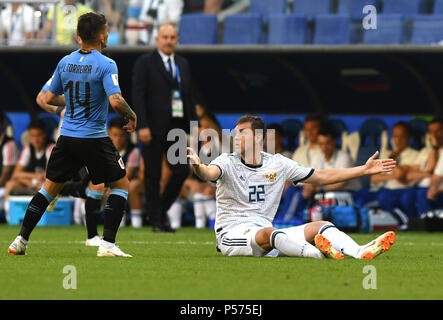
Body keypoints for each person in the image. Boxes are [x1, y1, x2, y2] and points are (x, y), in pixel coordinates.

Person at [8, 12, 137, 258]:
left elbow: (46, 98)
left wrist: (73, 103)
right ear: (101, 35)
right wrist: (132, 116)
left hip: (66, 137)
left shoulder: (65, 62)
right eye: (107, 30)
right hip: (94, 137)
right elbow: (116, 101)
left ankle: (20, 240)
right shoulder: (107, 64)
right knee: (120, 183)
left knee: (48, 189)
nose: (108, 34)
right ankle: (107, 244)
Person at [187, 115, 397, 259]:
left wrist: (363, 170)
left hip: (267, 233)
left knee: (320, 225)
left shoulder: (278, 163)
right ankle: (316, 253)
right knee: (273, 234)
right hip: (232, 237)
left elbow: (322, 176)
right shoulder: (226, 161)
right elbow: (208, 173)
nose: (235, 135)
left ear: (258, 137)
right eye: (235, 132)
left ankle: (359, 251)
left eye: (242, 132)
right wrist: (198, 166)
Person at [132, 23, 198, 232]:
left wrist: (194, 125)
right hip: (151, 127)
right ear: (157, 39)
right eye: (165, 37)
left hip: (176, 127)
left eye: (172, 37)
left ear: (177, 40)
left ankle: (159, 212)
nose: (169, 41)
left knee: (180, 171)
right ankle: (157, 221)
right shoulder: (145, 62)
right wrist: (141, 125)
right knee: (152, 175)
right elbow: (138, 95)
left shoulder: (182, 63)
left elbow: (188, 96)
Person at [371, 121, 419, 229]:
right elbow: (374, 178)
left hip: (406, 189)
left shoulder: (414, 154)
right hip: (388, 189)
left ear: (409, 138)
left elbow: (400, 176)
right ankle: (396, 221)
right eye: (395, 136)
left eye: (402, 137)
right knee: (382, 196)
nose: (398, 140)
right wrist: (392, 175)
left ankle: (410, 223)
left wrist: (393, 160)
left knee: (406, 198)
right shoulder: (387, 154)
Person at [4, 120, 54, 222]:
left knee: (44, 183)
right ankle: (9, 217)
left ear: (45, 134)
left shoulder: (51, 147)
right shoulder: (28, 148)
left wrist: (35, 178)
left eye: (39, 135)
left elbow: (48, 174)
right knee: (10, 184)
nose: (36, 139)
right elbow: (15, 174)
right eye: (32, 136)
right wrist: (34, 177)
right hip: (33, 182)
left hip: (47, 185)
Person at [303, 125, 361, 201]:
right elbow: (310, 178)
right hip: (323, 193)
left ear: (334, 142)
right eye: (321, 144)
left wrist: (318, 189)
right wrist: (308, 188)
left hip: (348, 194)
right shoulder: (316, 157)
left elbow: (341, 184)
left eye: (327, 143)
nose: (324, 147)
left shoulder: (344, 157)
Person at [406, 118, 443, 216]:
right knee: (408, 196)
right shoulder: (425, 151)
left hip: (434, 190)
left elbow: (431, 170)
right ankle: (412, 224)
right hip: (422, 187)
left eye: (438, 131)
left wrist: (434, 147)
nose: (434, 135)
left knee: (422, 193)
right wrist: (427, 174)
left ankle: (425, 221)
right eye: (431, 132)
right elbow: (409, 176)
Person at [0, 112, 20, 217]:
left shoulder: (9, 144)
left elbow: (5, 176)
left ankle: (8, 218)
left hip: (4, 187)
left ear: (2, 125)